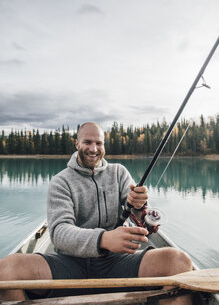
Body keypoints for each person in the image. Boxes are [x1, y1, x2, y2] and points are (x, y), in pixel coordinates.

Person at [0, 122, 193, 304]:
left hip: (118, 261)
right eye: (88, 142)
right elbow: (58, 232)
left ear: (104, 145)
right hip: (69, 265)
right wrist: (104, 239)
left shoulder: (119, 173)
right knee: (6, 270)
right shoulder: (61, 182)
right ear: (77, 143)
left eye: (98, 143)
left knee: (178, 261)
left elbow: (138, 210)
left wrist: (140, 205)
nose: (93, 149)